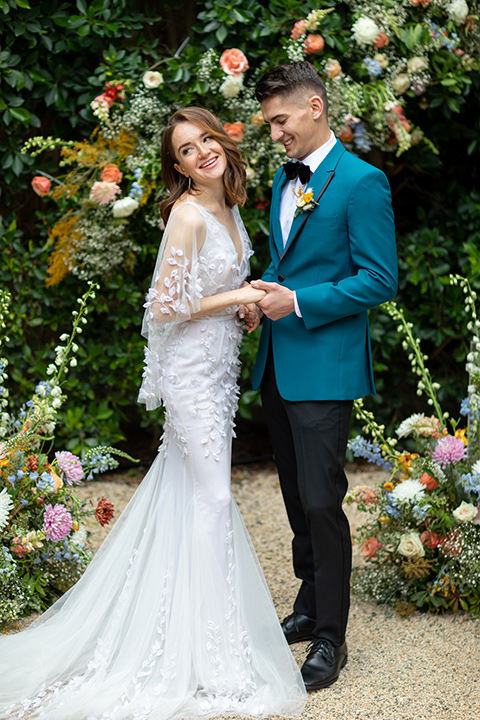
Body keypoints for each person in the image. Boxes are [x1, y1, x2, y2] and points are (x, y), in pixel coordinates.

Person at [0, 107, 307, 720]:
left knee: (187, 495)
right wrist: (243, 295)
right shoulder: (188, 215)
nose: (201, 154)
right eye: (186, 151)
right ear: (178, 168)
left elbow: (212, 293)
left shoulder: (231, 206)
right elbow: (166, 308)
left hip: (218, 373)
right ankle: (208, 656)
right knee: (215, 499)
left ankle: (184, 633)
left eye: (205, 141)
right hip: (190, 374)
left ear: (221, 142)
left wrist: (241, 310)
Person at [250, 61, 398, 691]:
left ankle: (332, 638)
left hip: (324, 367)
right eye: (268, 124)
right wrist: (265, 298)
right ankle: (309, 604)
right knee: (293, 499)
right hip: (277, 366)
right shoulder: (284, 181)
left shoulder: (362, 182)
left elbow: (379, 279)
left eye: (280, 120)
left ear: (314, 107)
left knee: (321, 500)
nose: (275, 133)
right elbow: (289, 259)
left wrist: (299, 302)